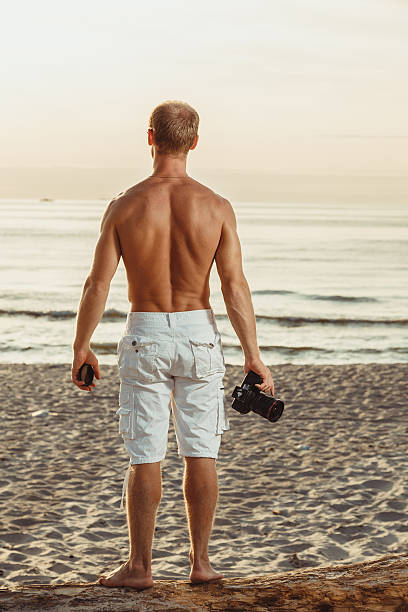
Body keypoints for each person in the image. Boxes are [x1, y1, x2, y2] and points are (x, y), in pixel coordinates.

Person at [71, 100, 274, 590]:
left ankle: (139, 567)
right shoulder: (216, 206)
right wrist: (253, 354)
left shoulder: (125, 205)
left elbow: (97, 284)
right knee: (201, 452)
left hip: (145, 333)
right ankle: (200, 565)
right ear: (195, 142)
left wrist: (82, 346)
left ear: (150, 137)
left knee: (145, 455)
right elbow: (233, 284)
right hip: (200, 333)